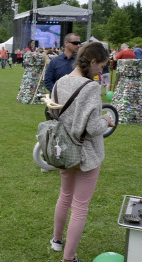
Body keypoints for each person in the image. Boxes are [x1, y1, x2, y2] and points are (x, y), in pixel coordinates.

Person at [49, 42, 114, 262]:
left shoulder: (60, 82)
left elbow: (52, 113)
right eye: (102, 66)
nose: (102, 71)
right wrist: (106, 120)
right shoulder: (91, 87)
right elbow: (93, 127)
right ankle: (69, 258)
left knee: (65, 196)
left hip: (63, 150)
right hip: (87, 153)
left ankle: (57, 240)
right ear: (93, 61)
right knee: (79, 206)